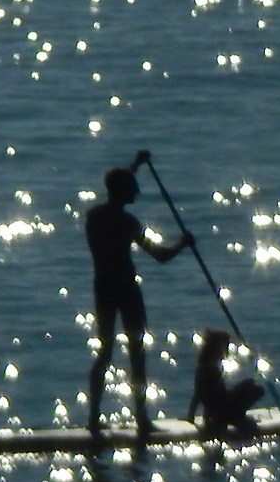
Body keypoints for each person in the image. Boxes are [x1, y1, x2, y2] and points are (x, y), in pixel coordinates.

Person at [85, 151, 191, 434]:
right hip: (126, 289)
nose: (138, 192)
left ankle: (93, 419)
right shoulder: (129, 224)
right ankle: (142, 420)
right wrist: (183, 243)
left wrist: (136, 164)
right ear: (123, 191)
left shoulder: (93, 216)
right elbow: (161, 255)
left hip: (103, 287)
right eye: (133, 189)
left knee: (105, 352)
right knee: (137, 353)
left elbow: (117, 182)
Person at [187, 328, 265, 432]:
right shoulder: (208, 369)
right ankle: (234, 417)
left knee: (249, 384)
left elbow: (204, 394)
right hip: (220, 411)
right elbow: (201, 393)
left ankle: (233, 416)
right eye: (226, 346)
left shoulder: (207, 366)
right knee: (258, 390)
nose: (227, 350)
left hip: (217, 409)